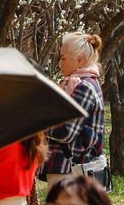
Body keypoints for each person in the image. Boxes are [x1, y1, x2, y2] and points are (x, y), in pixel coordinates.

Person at [43, 32, 107, 183]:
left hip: (72, 170)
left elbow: (66, 132)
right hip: (72, 168)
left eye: (63, 58)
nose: (60, 63)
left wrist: (37, 125)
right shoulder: (79, 84)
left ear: (79, 60)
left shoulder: (83, 87)